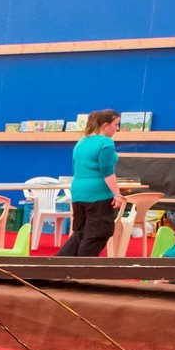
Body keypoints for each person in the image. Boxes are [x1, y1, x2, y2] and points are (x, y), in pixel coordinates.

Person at [56, 109, 125, 258]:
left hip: (78, 192)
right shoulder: (106, 142)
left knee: (80, 232)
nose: (117, 129)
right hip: (98, 194)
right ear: (106, 125)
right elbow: (106, 170)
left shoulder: (81, 142)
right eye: (116, 125)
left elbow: (76, 167)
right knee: (98, 233)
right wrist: (117, 194)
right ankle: (81, 269)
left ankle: (57, 264)